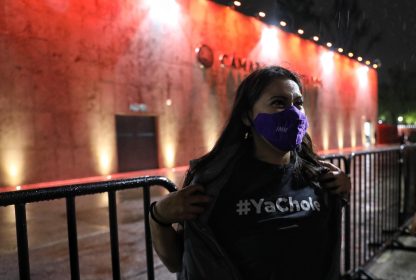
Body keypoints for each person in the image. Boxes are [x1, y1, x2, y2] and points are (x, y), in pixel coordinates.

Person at [149, 66, 351, 280]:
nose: (293, 113)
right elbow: (177, 261)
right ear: (247, 116)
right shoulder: (216, 183)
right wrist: (158, 216)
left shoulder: (318, 178)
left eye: (298, 103)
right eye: (278, 103)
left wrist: (341, 193)